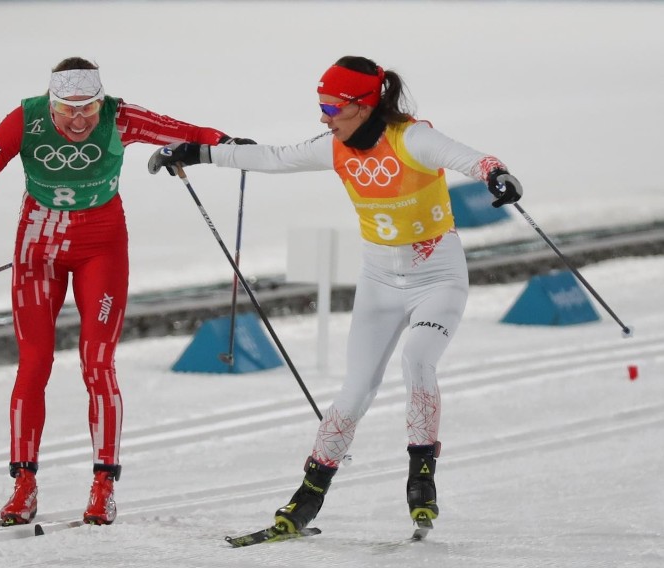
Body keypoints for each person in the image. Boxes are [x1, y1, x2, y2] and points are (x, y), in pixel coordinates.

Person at [148, 55, 522, 534]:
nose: (324, 117)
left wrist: (496, 174)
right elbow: (271, 157)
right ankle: (306, 499)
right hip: (379, 284)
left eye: (332, 108)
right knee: (353, 391)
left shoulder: (411, 139)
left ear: (364, 106)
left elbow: (470, 158)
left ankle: (421, 478)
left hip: (438, 280)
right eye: (321, 106)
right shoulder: (334, 146)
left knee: (417, 360)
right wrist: (196, 153)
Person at [0, 56, 250, 526]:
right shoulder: (25, 120)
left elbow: (182, 129)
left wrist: (228, 145)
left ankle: (103, 486)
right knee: (34, 364)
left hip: (101, 247)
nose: (77, 121)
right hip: (38, 246)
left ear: (101, 102)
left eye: (87, 110)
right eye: (66, 110)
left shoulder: (120, 116)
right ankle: (23, 486)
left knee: (98, 364)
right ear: (50, 104)